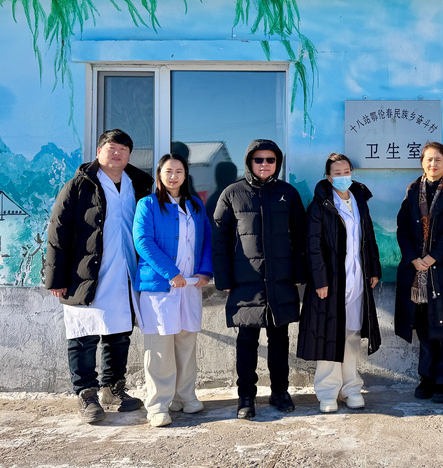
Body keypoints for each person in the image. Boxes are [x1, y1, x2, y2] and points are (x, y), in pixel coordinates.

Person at [45, 129, 153, 423]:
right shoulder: (79, 186)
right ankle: (86, 393)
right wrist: (56, 278)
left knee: (119, 334)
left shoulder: (139, 184)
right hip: (85, 273)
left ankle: (113, 388)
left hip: (125, 269)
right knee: (83, 335)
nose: (116, 153)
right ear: (98, 151)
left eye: (122, 149)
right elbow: (58, 230)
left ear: (129, 155)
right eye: (110, 147)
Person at [212, 139, 307, 419]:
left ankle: (280, 392)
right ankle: (246, 397)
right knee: (247, 341)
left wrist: (299, 273)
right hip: (246, 281)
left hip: (281, 280)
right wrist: (223, 278)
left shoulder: (288, 193)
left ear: (277, 163)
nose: (264, 164)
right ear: (249, 162)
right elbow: (220, 239)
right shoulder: (232, 193)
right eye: (259, 159)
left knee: (279, 339)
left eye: (270, 160)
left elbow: (300, 236)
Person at [297, 153, 382, 413]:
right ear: (328, 176)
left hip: (357, 277)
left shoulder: (359, 201)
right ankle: (327, 392)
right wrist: (320, 280)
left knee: (352, 335)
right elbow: (312, 246)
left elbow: (368, 237)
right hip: (331, 281)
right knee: (328, 335)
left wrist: (373, 269)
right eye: (337, 173)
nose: (343, 176)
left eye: (346, 171)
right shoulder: (320, 205)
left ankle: (351, 388)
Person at [133, 154, 213, 427]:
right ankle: (158, 405)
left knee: (186, 342)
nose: (173, 176)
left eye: (179, 171)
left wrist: (205, 271)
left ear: (185, 175)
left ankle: (185, 396)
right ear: (159, 175)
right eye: (168, 171)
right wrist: (171, 273)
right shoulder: (148, 204)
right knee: (160, 346)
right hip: (160, 286)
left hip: (189, 286)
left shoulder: (195, 205)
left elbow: (207, 239)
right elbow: (143, 241)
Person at [394, 142, 443, 404]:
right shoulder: (413, 189)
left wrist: (434, 256)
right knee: (424, 327)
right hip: (418, 271)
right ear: (422, 163)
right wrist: (413, 258)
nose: (433, 164)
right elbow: (403, 226)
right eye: (428, 159)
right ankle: (426, 377)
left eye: (438, 159)